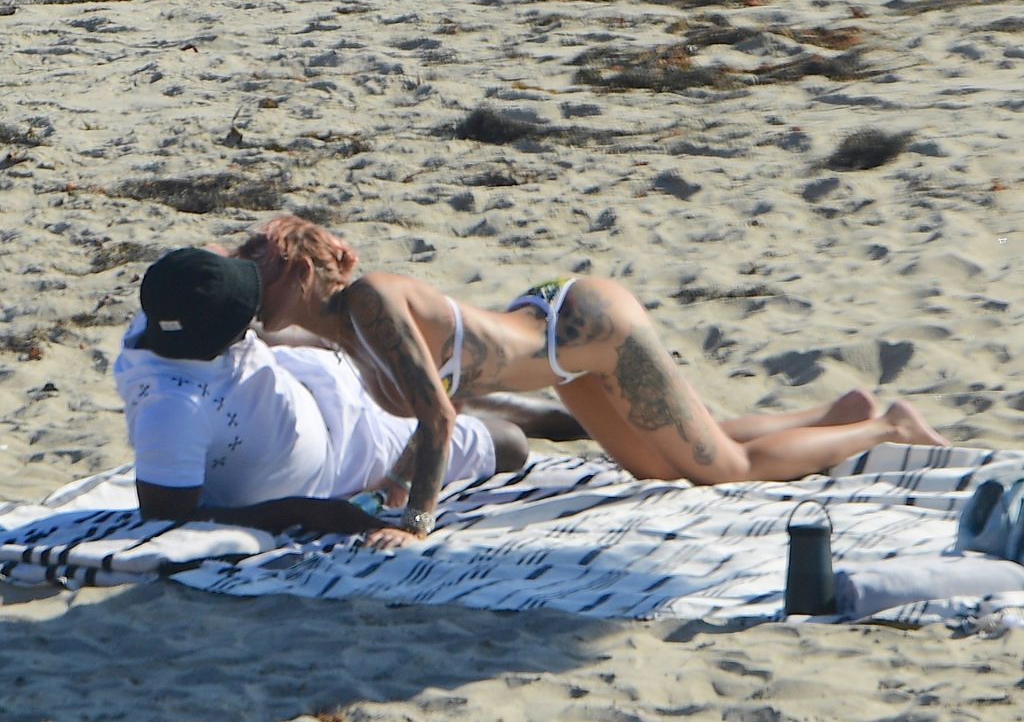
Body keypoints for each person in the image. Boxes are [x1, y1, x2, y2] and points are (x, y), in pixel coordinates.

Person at [232, 215, 949, 538]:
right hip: (562, 352)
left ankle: (887, 426)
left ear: (303, 275)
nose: (253, 293)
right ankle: (833, 415)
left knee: (725, 471)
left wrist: (415, 522)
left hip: (591, 327)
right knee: (660, 467)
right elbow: (441, 398)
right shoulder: (343, 332)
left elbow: (439, 417)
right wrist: (392, 486)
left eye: (262, 277)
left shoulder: (370, 303)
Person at [113, 247, 534, 549]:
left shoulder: (168, 307)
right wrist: (302, 512)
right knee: (510, 443)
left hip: (304, 376)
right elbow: (166, 517)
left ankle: (456, 399)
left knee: (437, 399)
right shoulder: (171, 411)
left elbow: (212, 265)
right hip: (351, 453)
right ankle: (465, 401)